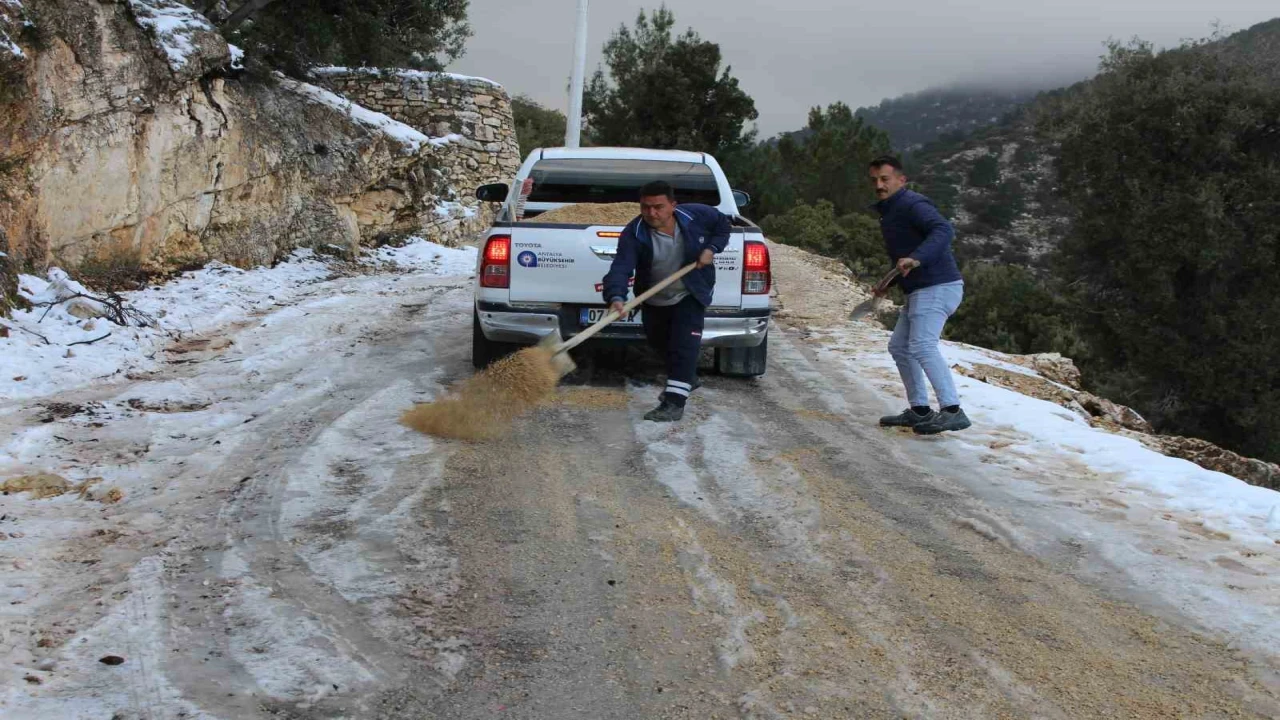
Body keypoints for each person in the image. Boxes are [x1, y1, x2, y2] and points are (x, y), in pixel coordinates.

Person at [601, 181, 730, 422]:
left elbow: (722, 226)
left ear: (673, 205)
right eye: (645, 207)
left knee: (684, 345)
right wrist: (616, 296)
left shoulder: (697, 215)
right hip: (654, 296)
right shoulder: (634, 233)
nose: (652, 213)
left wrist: (712, 248)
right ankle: (687, 378)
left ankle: (674, 403)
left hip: (690, 292)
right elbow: (621, 267)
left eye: (658, 207)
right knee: (660, 342)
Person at [869, 155, 970, 434]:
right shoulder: (890, 210)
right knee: (899, 347)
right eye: (875, 180)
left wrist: (917, 258)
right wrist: (887, 282)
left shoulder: (912, 203)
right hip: (920, 290)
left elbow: (943, 229)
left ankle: (952, 410)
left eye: (885, 179)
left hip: (938, 286)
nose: (879, 185)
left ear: (901, 180)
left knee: (923, 346)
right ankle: (920, 410)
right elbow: (904, 256)